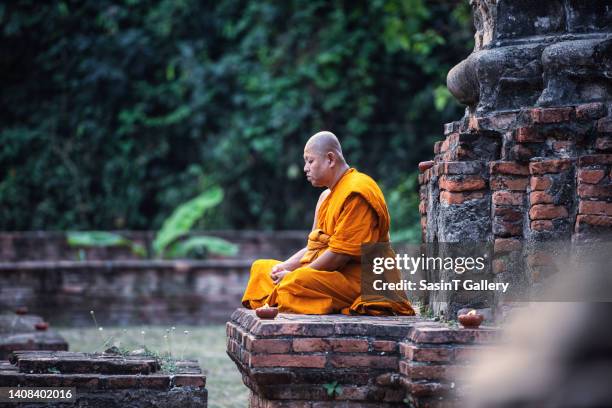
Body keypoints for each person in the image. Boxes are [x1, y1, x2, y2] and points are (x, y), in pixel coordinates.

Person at [241, 131, 415, 315]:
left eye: (310, 161)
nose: (305, 168)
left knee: (295, 283)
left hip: (362, 279)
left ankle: (281, 296)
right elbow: (313, 247)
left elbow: (338, 256)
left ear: (330, 159)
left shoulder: (357, 192)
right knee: (261, 268)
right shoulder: (325, 197)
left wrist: (295, 274)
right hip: (328, 275)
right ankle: (282, 295)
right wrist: (286, 266)